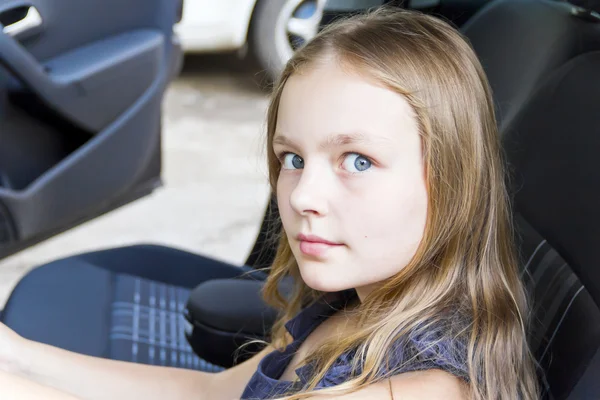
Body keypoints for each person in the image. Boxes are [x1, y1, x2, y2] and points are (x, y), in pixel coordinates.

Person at [0, 7, 539, 400]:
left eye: (357, 161)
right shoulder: (352, 308)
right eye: (292, 159)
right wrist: (18, 357)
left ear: (451, 181)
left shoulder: (421, 389)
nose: (302, 195)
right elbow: (210, 396)